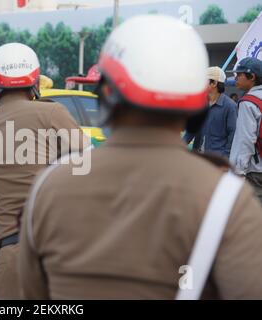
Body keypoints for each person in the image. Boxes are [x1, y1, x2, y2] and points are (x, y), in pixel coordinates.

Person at [18, 15, 262, 299]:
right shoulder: (226, 199)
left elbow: (33, 296)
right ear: (196, 104)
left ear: (106, 94)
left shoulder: (48, 187)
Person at [0, 43, 90, 299]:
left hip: (9, 259)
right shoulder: (53, 114)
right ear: (35, 81)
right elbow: (89, 172)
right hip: (56, 253)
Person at [183, 66, 237, 158]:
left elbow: (232, 135)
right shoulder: (199, 104)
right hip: (198, 158)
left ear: (214, 83)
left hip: (218, 160)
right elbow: (191, 131)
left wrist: (225, 157)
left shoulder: (230, 106)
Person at [230, 57, 262, 203]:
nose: (236, 78)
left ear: (252, 76)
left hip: (256, 172)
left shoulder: (248, 102)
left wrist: (238, 173)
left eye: (239, 74)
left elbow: (245, 140)